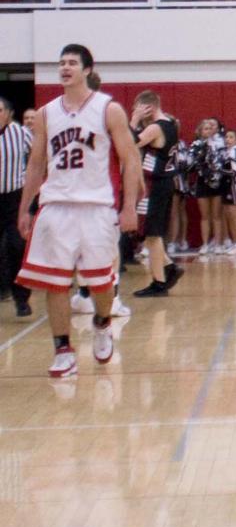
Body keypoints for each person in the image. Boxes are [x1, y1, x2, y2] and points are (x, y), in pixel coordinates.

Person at [16, 44, 142, 378]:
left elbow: (130, 159)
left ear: (87, 69)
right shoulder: (45, 113)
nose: (65, 67)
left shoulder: (108, 109)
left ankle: (102, 322)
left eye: (72, 62)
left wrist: (129, 206)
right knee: (55, 284)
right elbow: (36, 163)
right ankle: (63, 349)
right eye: (61, 63)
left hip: (96, 207)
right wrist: (26, 207)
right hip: (55, 206)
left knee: (100, 283)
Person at [129, 91, 184, 298]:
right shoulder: (170, 123)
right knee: (150, 233)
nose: (136, 112)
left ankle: (159, 282)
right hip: (164, 182)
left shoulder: (155, 127)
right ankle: (169, 267)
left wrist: (133, 121)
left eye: (138, 109)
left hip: (157, 184)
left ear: (147, 107)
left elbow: (130, 141)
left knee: (152, 234)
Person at [0, 97, 34, 318]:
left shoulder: (21, 133)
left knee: (16, 247)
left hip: (14, 198)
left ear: (8, 113)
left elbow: (39, 157)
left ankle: (21, 299)